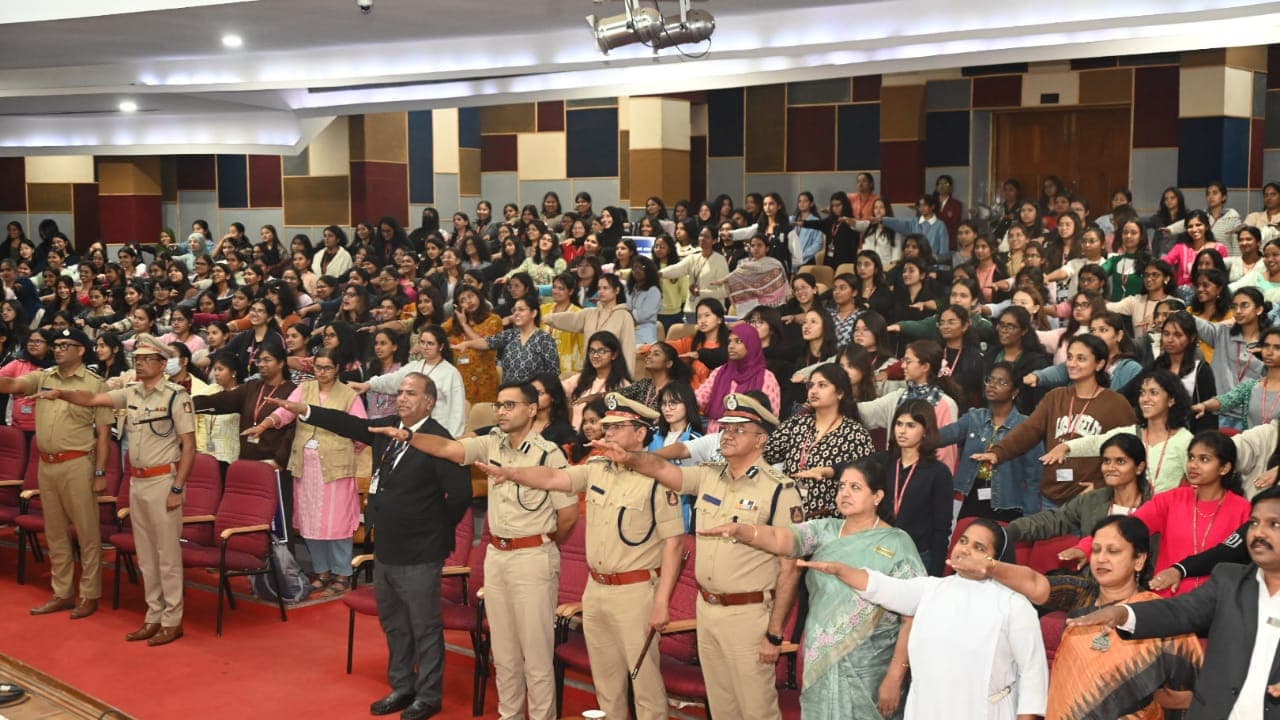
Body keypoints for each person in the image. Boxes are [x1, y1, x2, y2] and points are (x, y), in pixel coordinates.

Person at [586, 393, 803, 720]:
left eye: (739, 429)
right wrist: (629, 457)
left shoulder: (778, 490)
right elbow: (662, 469)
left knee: (756, 709)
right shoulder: (708, 476)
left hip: (749, 614)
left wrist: (774, 633)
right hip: (708, 609)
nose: (727, 435)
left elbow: (790, 569)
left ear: (761, 439)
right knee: (721, 708)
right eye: (725, 428)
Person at [268, 373, 471, 720]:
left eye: (411, 393)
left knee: (424, 627)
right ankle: (402, 686)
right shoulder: (388, 429)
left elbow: (461, 495)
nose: (402, 398)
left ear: (429, 402)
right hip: (386, 547)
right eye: (400, 392)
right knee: (394, 623)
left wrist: (433, 530)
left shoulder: (438, 439)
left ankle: (428, 696)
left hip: (421, 552)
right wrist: (305, 410)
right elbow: (347, 423)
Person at [468, 392, 682, 720]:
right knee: (606, 682)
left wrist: (662, 601)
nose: (608, 433)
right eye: (607, 427)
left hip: (636, 592)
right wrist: (513, 473)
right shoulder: (597, 468)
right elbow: (556, 478)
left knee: (643, 682)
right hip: (595, 590)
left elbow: (674, 545)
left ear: (640, 433)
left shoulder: (658, 478)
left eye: (618, 427)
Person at [372, 380, 577, 720]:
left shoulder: (548, 454)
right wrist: (409, 437)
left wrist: (542, 543)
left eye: (510, 405)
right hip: (496, 556)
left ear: (531, 409)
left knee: (536, 655)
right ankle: (510, 716)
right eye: (499, 405)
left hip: (533, 558)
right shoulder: (491, 442)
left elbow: (568, 516)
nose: (502, 412)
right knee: (504, 653)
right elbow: (448, 449)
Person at [697, 459, 924, 719]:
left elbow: (911, 616)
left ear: (877, 496)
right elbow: (782, 538)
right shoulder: (825, 530)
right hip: (821, 662)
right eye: (841, 486)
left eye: (855, 487)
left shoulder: (897, 543)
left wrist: (895, 676)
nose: (845, 493)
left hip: (871, 670)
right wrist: (744, 531)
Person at [1066, 486, 1280, 720]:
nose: (1259, 532)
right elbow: (1180, 611)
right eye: (1254, 523)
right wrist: (1122, 613)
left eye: (1274, 524)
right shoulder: (1229, 581)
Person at [800, 518, 1047, 718]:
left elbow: (1033, 673)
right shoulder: (931, 589)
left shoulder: (1013, 605)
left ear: (996, 560)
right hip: (927, 710)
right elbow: (883, 587)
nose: (965, 550)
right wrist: (841, 570)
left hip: (984, 712)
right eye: (963, 541)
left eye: (979, 548)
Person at [44, 335, 196, 645]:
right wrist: (61, 393)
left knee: (167, 556)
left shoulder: (175, 397)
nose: (140, 364)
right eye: (137, 359)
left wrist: (177, 488)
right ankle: (153, 616)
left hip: (163, 481)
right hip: (137, 481)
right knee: (146, 556)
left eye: (147, 359)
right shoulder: (132, 392)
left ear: (162, 364)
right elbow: (93, 399)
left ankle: (173, 620)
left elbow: (190, 446)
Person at [1035, 515, 1204, 719]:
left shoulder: (1158, 615)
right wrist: (998, 567)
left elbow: (1192, 693)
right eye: (1096, 550)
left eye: (1113, 551)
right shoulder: (1082, 595)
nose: (1101, 558)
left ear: (1139, 560)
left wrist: (1138, 698)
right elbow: (1033, 582)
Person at [0, 327, 112, 619]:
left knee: (87, 533)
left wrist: (101, 472)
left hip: (78, 464)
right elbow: (11, 384)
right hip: (46, 464)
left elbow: (103, 434)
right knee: (55, 532)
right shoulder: (44, 376)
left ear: (81, 350)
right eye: (57, 345)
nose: (58, 349)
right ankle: (62, 592)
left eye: (65, 345)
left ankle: (89, 595)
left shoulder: (94, 384)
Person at [1061, 430, 1251, 598]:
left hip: (1217, 601)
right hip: (1166, 600)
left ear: (1224, 468)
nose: (1193, 465)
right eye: (1191, 458)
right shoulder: (1171, 499)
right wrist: (1086, 547)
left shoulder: (1243, 509)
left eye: (1204, 459)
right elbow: (1129, 526)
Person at [245, 348, 365, 595]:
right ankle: (322, 572)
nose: (322, 372)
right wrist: (264, 425)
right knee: (311, 523)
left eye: (327, 368)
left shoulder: (349, 395)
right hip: (306, 469)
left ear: (338, 368)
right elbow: (284, 412)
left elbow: (361, 431)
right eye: (318, 367)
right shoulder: (305, 388)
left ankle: (342, 574)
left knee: (337, 523)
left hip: (336, 468)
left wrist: (344, 451)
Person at [973, 334, 1137, 509]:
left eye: (1081, 358)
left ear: (1099, 364)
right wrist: (998, 452)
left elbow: (1131, 452)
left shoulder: (1116, 403)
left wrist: (1101, 486)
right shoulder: (1055, 397)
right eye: (1070, 357)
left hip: (1090, 498)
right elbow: (1029, 430)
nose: (1072, 363)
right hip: (1052, 497)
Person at [1044, 368, 1193, 494]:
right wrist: (1065, 447)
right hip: (1129, 514)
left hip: (1164, 515)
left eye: (1153, 392)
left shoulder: (1184, 440)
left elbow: (1197, 483)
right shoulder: (1131, 433)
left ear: (1171, 400)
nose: (1145, 399)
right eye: (1142, 393)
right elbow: (1096, 442)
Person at [765, 363, 876, 518]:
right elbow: (765, 455)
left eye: (822, 385)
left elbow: (868, 477)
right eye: (811, 385)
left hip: (830, 518)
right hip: (788, 514)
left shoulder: (855, 434)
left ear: (840, 393)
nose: (814, 390)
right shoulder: (796, 424)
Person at [940, 362, 1044, 522]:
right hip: (973, 495)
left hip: (1008, 503)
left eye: (1002, 382)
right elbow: (942, 436)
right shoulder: (974, 417)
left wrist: (1030, 519)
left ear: (1015, 392)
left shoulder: (1026, 426)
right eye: (990, 380)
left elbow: (1034, 478)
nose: (993, 385)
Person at [873, 399, 953, 575]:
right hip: (881, 549)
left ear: (925, 431)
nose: (902, 431)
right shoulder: (884, 461)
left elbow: (941, 529)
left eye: (911, 425)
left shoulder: (939, 473)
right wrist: (829, 471)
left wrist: (935, 575)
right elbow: (852, 467)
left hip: (918, 555)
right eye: (899, 424)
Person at [350, 325, 466, 438]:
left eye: (430, 343)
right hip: (412, 430)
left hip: (439, 434)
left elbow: (457, 411)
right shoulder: (414, 366)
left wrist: (454, 439)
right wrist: (368, 385)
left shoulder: (451, 373)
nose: (425, 347)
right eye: (422, 342)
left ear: (441, 346)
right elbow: (392, 380)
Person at [695, 322, 781, 432]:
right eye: (729, 341)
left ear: (751, 344)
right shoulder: (720, 372)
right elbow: (699, 398)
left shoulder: (766, 378)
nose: (731, 346)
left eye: (738, 341)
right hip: (713, 436)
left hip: (748, 437)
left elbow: (770, 418)